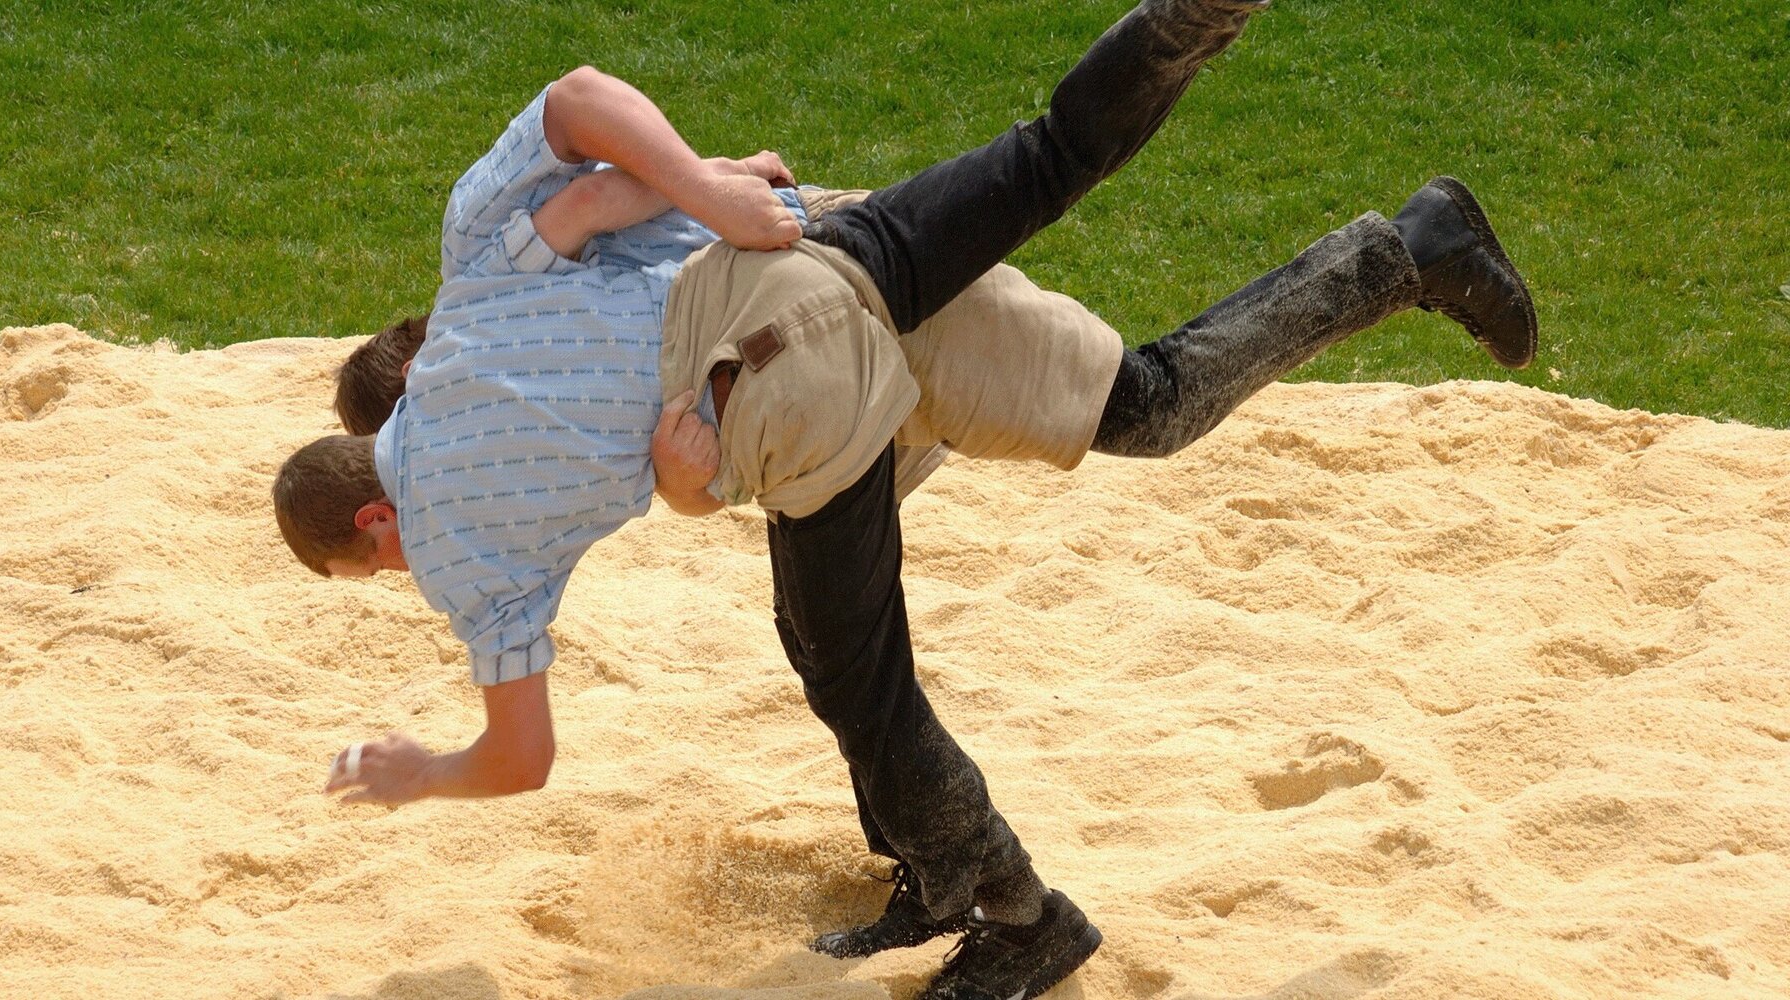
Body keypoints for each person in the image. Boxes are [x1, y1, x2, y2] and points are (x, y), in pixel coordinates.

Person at [275, 2, 1537, 996]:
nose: (399, 573)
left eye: (372, 568)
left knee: (856, 677)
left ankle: (1015, 918)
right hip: (818, 247)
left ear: (375, 520)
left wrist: (417, 771)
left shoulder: (464, 555)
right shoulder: (480, 277)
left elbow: (521, 754)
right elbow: (588, 137)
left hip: (794, 391)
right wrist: (713, 186)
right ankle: (1370, 213)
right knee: (1063, 201)